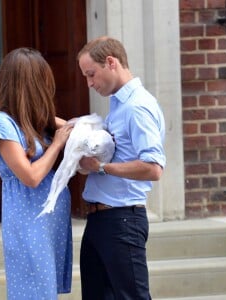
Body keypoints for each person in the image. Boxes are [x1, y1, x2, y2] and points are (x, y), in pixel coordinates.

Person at [0, 47, 73, 300]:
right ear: (28, 83)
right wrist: (58, 143)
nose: (46, 88)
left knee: (45, 291)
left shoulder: (30, 117)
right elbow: (30, 176)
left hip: (46, 220)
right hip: (28, 218)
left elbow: (75, 127)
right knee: (32, 291)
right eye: (41, 81)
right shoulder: (2, 123)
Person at [77, 36, 166, 300]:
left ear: (111, 62)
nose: (90, 83)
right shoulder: (119, 105)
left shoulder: (137, 107)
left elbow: (153, 168)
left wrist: (101, 167)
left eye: (91, 74)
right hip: (101, 220)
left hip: (122, 220)